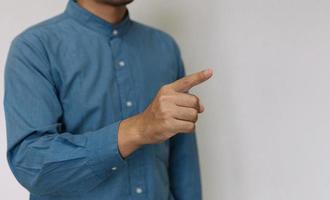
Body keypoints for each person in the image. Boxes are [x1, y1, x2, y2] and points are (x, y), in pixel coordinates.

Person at [3, 0, 213, 199]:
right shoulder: (35, 48)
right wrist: (137, 129)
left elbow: (183, 163)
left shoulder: (164, 47)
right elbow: (32, 164)